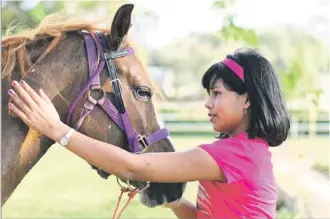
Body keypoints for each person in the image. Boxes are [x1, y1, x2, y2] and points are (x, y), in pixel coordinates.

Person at [8, 47, 290, 219]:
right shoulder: (247, 151)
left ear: (247, 99)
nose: (208, 103)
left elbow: (134, 166)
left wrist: (56, 129)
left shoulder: (232, 155)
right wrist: (175, 202)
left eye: (217, 94)